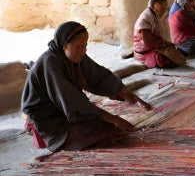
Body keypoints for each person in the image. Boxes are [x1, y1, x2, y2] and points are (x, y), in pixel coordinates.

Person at [22, 21, 151, 152]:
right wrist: (114, 118)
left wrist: (123, 91)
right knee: (100, 136)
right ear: (65, 45)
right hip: (49, 118)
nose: (83, 51)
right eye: (79, 46)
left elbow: (98, 75)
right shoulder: (50, 64)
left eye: (85, 46)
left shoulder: (74, 55)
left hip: (65, 109)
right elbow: (73, 102)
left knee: (111, 130)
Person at [133, 0, 185, 68]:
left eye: (165, 4)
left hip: (154, 45)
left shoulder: (154, 15)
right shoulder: (145, 18)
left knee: (176, 50)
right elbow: (147, 41)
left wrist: (164, 42)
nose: (164, 7)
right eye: (161, 4)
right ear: (153, 5)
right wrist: (162, 43)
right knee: (161, 59)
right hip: (143, 49)